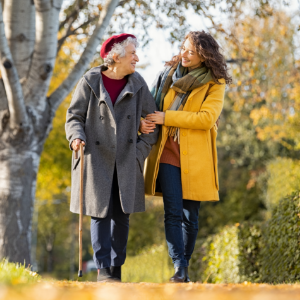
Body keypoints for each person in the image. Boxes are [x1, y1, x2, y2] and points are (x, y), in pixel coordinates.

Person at [65, 33, 159, 282]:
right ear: (115, 57)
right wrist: (75, 137)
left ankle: (116, 269)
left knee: (121, 215)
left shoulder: (138, 83)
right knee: (100, 213)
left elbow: (153, 123)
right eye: (132, 54)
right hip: (96, 158)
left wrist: (139, 153)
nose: (137, 58)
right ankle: (104, 270)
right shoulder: (90, 81)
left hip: (127, 159)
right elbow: (74, 116)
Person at [141, 31, 232, 283]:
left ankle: (184, 266)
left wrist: (167, 118)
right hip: (167, 151)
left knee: (191, 216)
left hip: (196, 157)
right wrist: (143, 121)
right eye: (183, 48)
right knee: (172, 211)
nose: (184, 54)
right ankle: (179, 268)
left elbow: (206, 119)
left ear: (204, 57)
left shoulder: (215, 83)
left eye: (191, 52)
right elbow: (149, 104)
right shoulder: (167, 75)